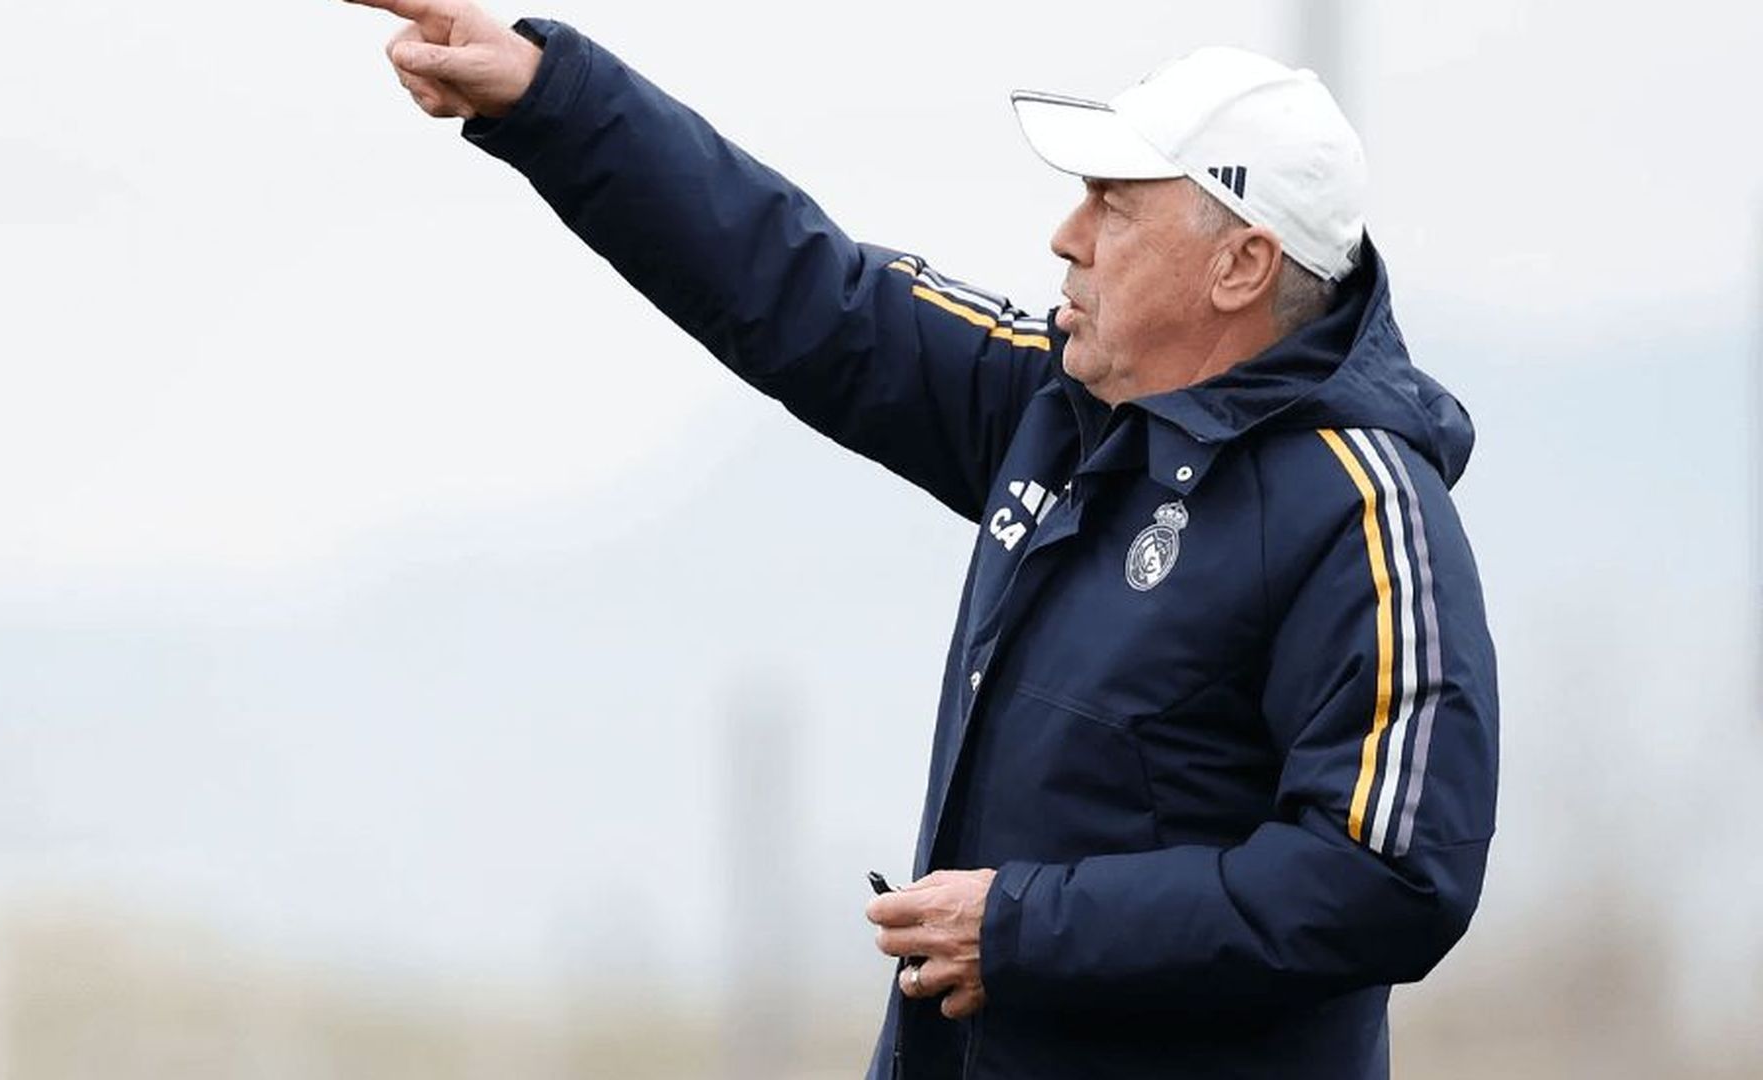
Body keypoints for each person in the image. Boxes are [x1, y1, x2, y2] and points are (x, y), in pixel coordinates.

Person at [341, 3, 1500, 1077]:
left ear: (1241, 264)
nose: (1067, 236)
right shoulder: (1062, 406)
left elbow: (1389, 878)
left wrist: (1021, 930)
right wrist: (550, 95)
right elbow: (810, 291)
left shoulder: (1362, 510)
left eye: (1113, 205)